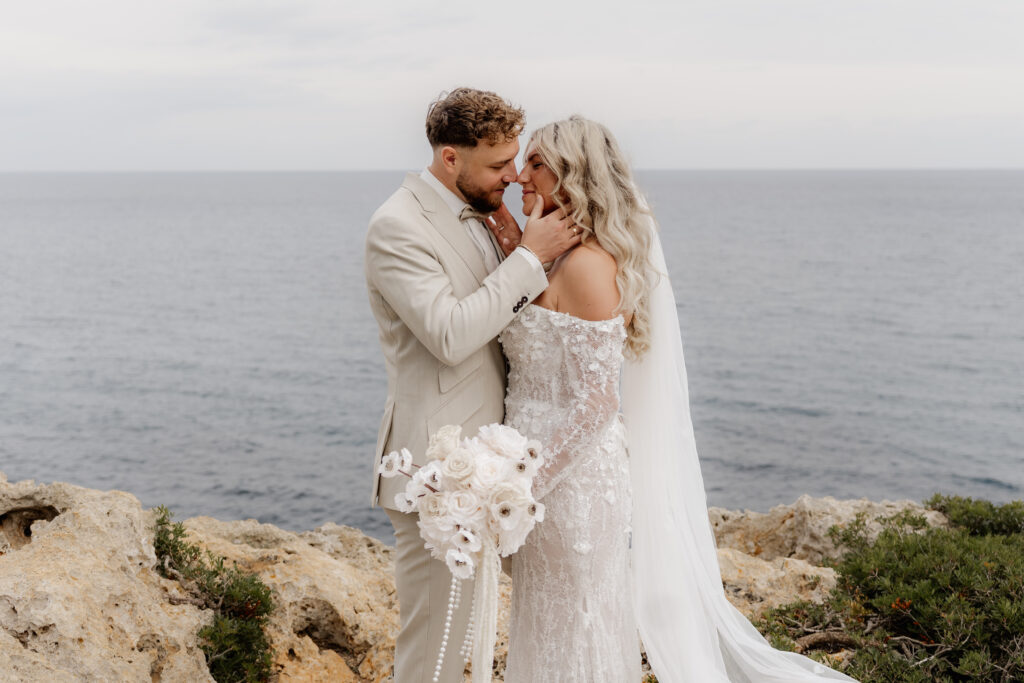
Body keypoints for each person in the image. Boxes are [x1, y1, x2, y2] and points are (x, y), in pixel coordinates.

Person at [497, 116, 858, 682]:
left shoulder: (588, 266)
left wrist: (520, 486)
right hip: (543, 477)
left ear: (574, 176)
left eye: (536, 164)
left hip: (569, 487)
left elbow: (597, 406)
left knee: (576, 632)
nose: (521, 176)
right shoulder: (552, 257)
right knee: (548, 627)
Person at [363, 88, 581, 683]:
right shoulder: (397, 227)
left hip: (496, 464)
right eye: (497, 164)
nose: (511, 176)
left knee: (473, 636)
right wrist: (529, 260)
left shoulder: (487, 213)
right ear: (450, 158)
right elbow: (451, 334)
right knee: (434, 648)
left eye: (515, 160)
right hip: (435, 471)